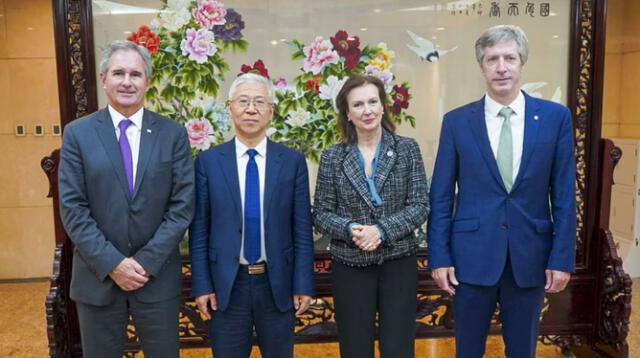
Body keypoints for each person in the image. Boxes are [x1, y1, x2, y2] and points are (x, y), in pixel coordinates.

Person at [428, 25, 576, 358]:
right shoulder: (457, 122)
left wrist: (562, 258)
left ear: (522, 63)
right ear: (482, 66)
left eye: (509, 57)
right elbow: (440, 195)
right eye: (492, 59)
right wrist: (440, 256)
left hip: (530, 257)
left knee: (522, 350)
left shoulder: (555, 118)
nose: (501, 67)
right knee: (467, 349)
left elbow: (565, 196)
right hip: (470, 257)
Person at [58, 41, 195, 358]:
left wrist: (145, 262)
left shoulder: (172, 135)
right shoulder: (78, 134)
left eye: (136, 73)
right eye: (118, 73)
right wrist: (113, 264)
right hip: (98, 278)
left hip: (156, 278)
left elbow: (182, 206)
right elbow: (73, 208)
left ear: (147, 81)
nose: (127, 81)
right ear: (103, 78)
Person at [189, 73, 315, 358]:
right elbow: (199, 231)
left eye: (260, 102)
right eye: (243, 101)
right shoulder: (208, 162)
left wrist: (303, 284)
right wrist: (202, 285)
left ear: (271, 111)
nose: (251, 108)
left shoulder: (292, 161)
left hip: (277, 285)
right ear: (230, 108)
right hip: (226, 287)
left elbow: (302, 230)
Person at [313, 74, 429, 358]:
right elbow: (322, 213)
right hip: (350, 264)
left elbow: (420, 205)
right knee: (354, 347)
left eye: (373, 101)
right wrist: (351, 228)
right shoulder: (332, 156)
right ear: (347, 113)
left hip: (398, 262)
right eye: (358, 104)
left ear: (383, 106)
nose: (367, 110)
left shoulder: (406, 148)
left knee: (398, 347)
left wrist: (381, 230)